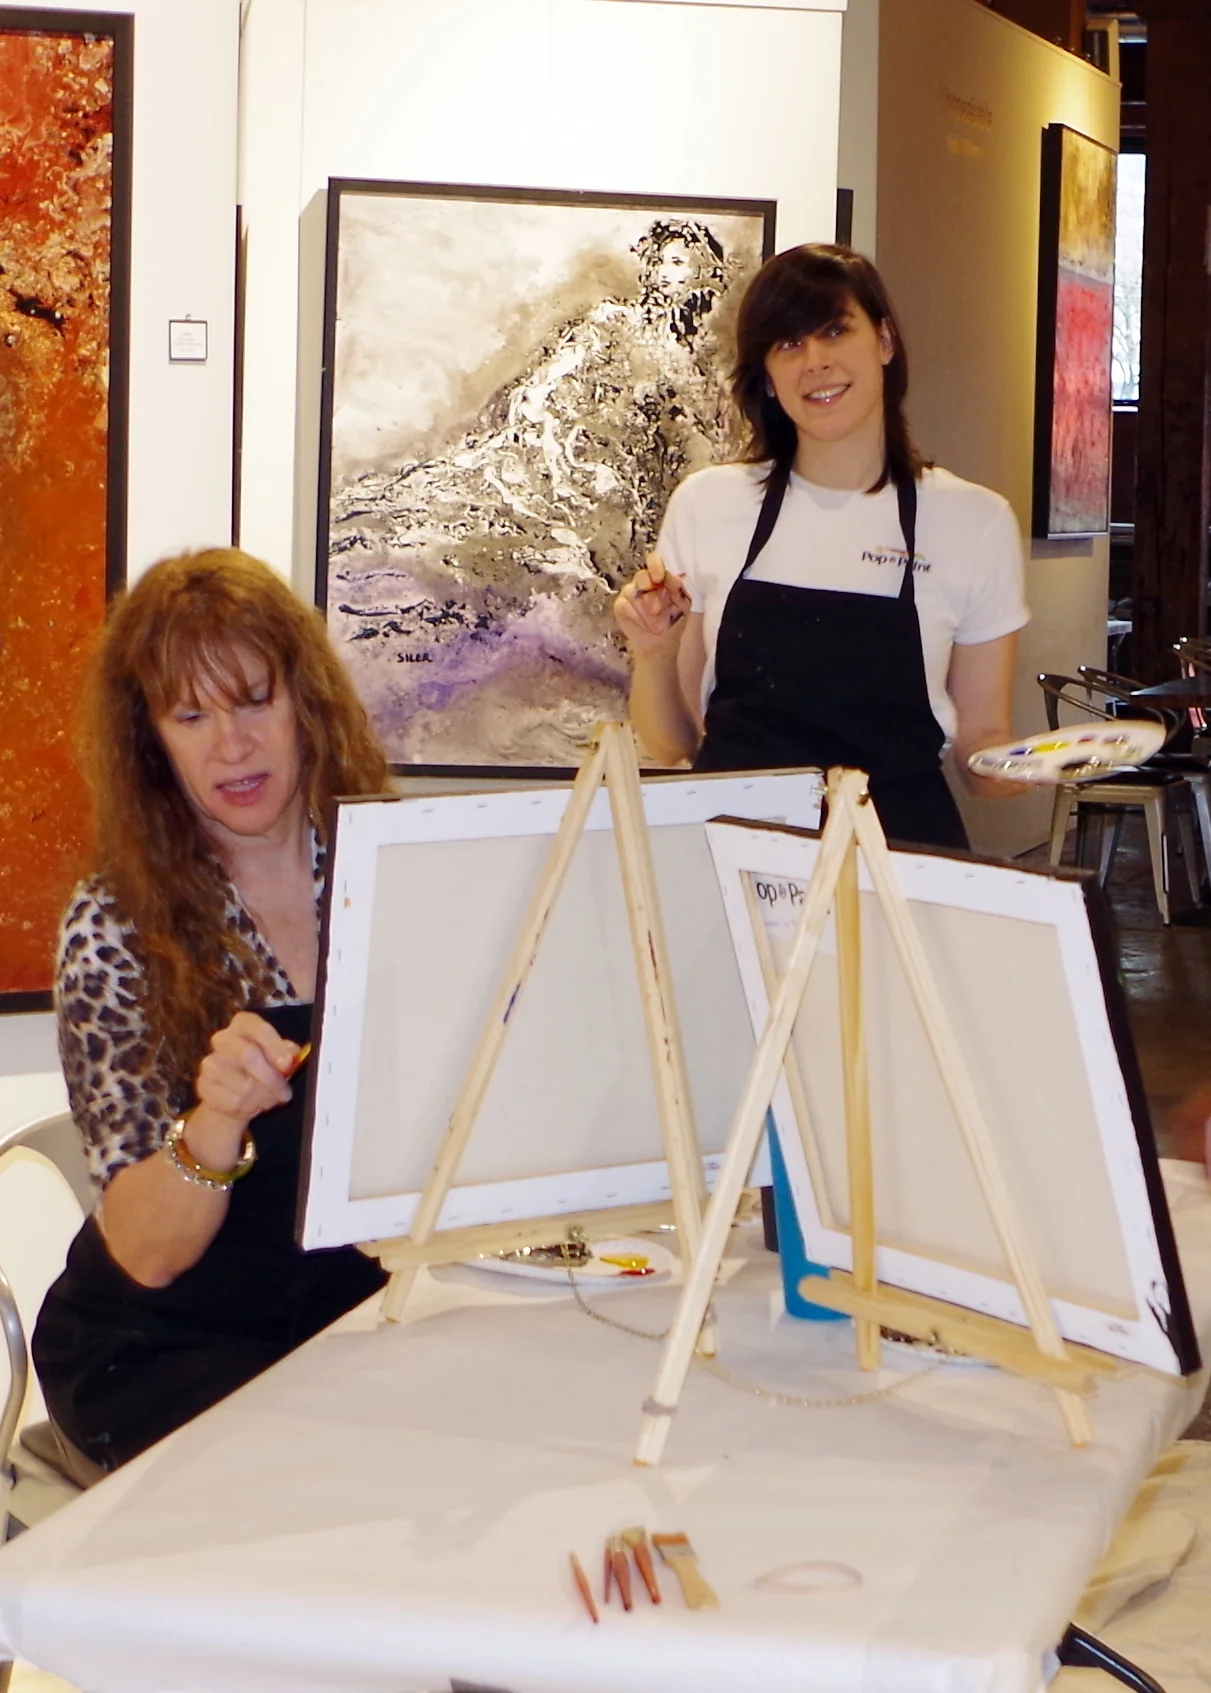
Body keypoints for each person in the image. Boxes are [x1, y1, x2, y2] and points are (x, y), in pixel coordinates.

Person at [32, 549, 391, 1473]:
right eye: (190, 715)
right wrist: (216, 1120)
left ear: (306, 703)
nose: (231, 744)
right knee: (336, 1474)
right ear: (152, 741)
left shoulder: (388, 867)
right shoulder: (115, 922)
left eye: (253, 701)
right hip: (162, 1346)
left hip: (349, 1321)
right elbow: (146, 1251)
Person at [614, 243, 1029, 849]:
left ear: (884, 340)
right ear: (768, 375)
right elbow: (673, 743)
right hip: (737, 854)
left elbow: (982, 746)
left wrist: (1048, 764)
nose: (815, 362)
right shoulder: (709, 504)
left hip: (896, 856)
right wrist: (652, 655)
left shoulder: (974, 521)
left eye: (835, 330)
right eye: (788, 343)